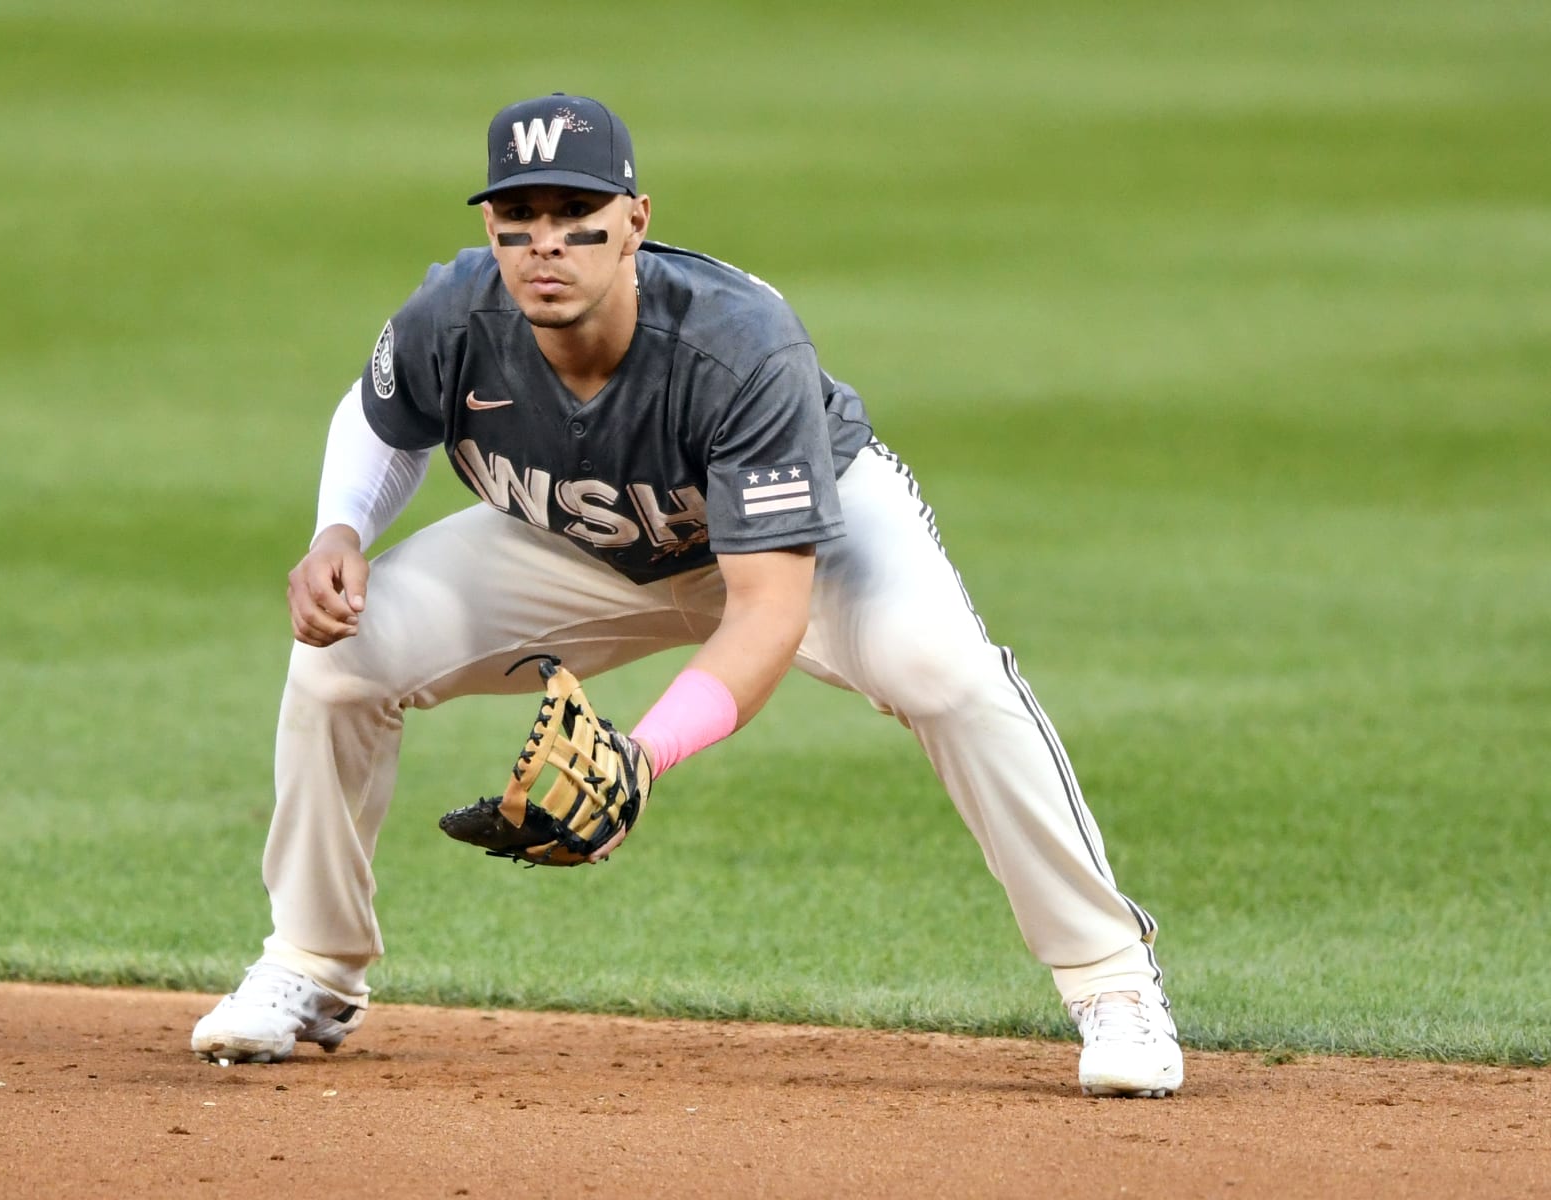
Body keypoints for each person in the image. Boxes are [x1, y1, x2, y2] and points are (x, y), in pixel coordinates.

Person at [190, 93, 1184, 1097]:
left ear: (636, 221)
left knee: (947, 676)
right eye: (517, 221)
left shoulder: (737, 346)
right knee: (340, 659)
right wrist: (340, 532)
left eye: (575, 217)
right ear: (489, 229)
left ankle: (1113, 982)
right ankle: (312, 968)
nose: (544, 245)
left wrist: (640, 757)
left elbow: (764, 610)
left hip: (800, 540)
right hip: (577, 544)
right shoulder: (455, 315)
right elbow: (382, 417)